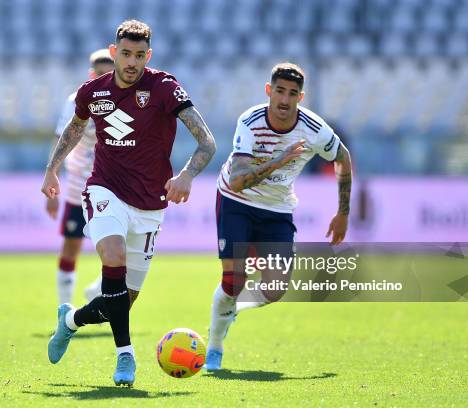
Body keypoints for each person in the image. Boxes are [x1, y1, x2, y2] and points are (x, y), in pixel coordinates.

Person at [41, 20, 216, 386]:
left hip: (151, 204)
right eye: (125, 54)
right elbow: (74, 129)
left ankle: (70, 320)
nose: (132, 62)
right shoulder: (92, 92)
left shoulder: (165, 88)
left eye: (139, 55)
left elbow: (207, 142)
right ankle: (126, 356)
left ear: (148, 56)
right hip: (105, 190)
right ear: (113, 52)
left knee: (121, 299)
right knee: (113, 257)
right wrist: (52, 170)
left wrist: (185, 176)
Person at [205, 62, 353, 371]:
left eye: (293, 94)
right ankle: (214, 348)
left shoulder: (314, 129)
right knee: (233, 281)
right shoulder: (250, 121)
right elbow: (237, 180)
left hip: (277, 208)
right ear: (269, 91)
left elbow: (343, 157)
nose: (285, 100)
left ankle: (230, 310)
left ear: (301, 97)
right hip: (237, 201)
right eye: (280, 92)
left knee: (275, 290)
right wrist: (279, 160)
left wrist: (343, 212)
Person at [47, 49, 114, 306]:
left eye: (109, 74)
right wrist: (52, 177)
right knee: (71, 247)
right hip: (78, 185)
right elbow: (59, 139)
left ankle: (97, 290)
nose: (104, 79)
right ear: (91, 74)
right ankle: (64, 309)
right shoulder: (76, 100)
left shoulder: (123, 99)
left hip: (111, 184)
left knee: (121, 247)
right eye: (99, 74)